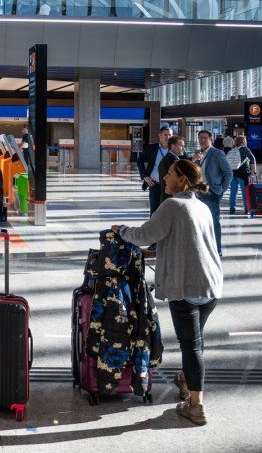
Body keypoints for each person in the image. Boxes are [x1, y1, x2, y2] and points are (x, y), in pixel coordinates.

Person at [113, 159, 223, 426]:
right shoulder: (201, 206)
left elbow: (142, 234)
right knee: (195, 341)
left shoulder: (172, 205)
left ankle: (196, 406)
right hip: (210, 284)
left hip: (186, 285)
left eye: (170, 174)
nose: (164, 179)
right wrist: (152, 252)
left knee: (191, 345)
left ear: (182, 179)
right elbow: (188, 242)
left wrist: (121, 230)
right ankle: (186, 379)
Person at [191, 130, 232, 256]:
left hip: (211, 192)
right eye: (200, 138)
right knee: (199, 221)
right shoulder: (198, 154)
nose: (202, 140)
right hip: (198, 192)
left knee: (213, 221)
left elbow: (228, 172)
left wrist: (221, 190)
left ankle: (217, 249)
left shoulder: (217, 153)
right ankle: (203, 247)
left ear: (210, 139)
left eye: (205, 138)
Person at [136, 125, 173, 216]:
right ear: (160, 135)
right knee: (154, 210)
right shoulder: (152, 148)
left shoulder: (175, 148)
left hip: (170, 185)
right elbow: (140, 160)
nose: (168, 137)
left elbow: (185, 162)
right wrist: (145, 176)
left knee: (169, 210)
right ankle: (153, 229)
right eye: (165, 135)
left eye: (170, 135)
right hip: (155, 184)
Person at [226, 135, 257, 215]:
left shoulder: (232, 149)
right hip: (243, 173)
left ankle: (232, 208)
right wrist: (253, 172)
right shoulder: (245, 149)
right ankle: (247, 208)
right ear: (244, 141)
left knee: (233, 191)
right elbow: (252, 159)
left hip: (233, 173)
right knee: (245, 192)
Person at [158, 135, 187, 203]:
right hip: (170, 197)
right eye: (181, 146)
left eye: (183, 146)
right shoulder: (172, 159)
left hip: (167, 197)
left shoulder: (170, 157)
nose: (183, 149)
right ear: (172, 146)